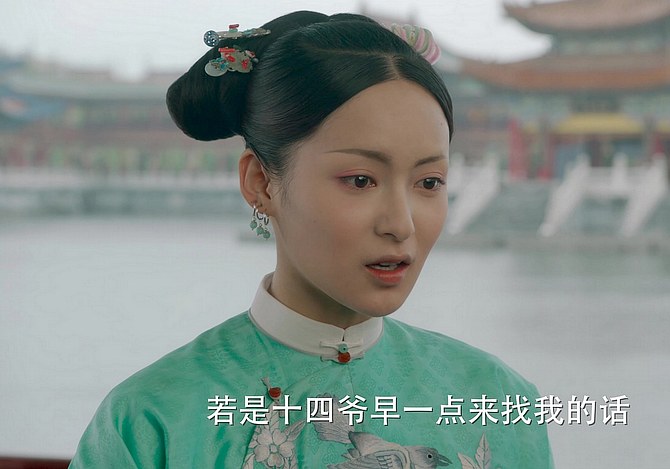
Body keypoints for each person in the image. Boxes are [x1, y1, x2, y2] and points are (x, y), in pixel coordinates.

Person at [70, 11, 554, 468]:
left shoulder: (499, 400)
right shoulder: (152, 420)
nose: (401, 224)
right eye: (361, 180)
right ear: (261, 182)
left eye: (429, 182)